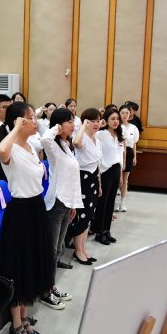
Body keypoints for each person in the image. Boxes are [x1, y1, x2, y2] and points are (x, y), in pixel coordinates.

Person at [0, 101, 52, 334]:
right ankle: (16, 326)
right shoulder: (10, 148)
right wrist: (15, 128)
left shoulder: (29, 146)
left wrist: (21, 129)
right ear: (18, 121)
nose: (35, 121)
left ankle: (26, 319)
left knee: (33, 266)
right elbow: (1, 151)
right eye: (30, 117)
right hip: (20, 213)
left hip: (36, 208)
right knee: (19, 270)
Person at [41, 108, 83, 277]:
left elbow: (73, 178)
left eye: (73, 121)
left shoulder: (66, 146)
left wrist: (74, 204)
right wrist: (55, 129)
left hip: (67, 202)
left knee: (59, 248)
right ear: (59, 125)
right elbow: (44, 139)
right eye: (69, 122)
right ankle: (47, 285)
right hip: (57, 202)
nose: (73, 125)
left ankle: (50, 282)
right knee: (51, 249)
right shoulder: (53, 147)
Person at [71, 108, 103, 264]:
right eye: (92, 121)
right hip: (82, 178)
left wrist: (99, 184)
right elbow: (76, 143)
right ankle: (77, 250)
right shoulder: (80, 136)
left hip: (93, 178)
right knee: (82, 216)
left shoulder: (97, 140)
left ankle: (83, 248)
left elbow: (98, 164)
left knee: (89, 215)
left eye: (98, 121)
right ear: (86, 122)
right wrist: (83, 126)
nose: (96, 124)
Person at [93, 107, 124, 245]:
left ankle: (106, 230)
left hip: (116, 169)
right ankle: (98, 232)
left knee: (111, 201)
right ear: (106, 120)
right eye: (112, 119)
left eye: (117, 119)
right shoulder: (101, 134)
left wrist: (121, 175)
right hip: (105, 170)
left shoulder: (119, 135)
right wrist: (99, 125)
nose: (116, 121)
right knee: (102, 202)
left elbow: (120, 156)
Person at [118, 104, 139, 212]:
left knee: (125, 179)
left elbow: (134, 143)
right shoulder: (116, 126)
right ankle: (114, 203)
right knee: (117, 179)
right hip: (118, 152)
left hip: (129, 152)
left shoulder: (133, 128)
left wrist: (134, 156)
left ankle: (122, 202)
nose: (125, 115)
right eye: (122, 113)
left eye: (127, 113)